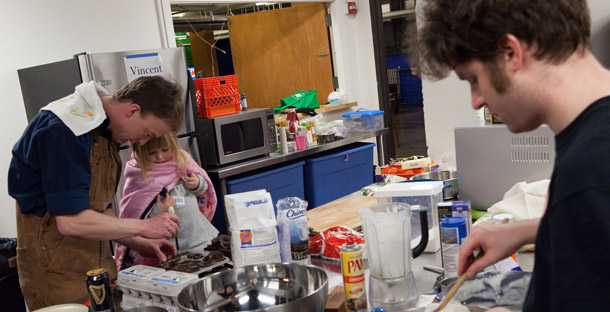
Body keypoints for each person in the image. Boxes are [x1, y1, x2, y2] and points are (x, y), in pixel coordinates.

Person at [413, 0, 610, 311]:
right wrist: (525, 231)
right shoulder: (593, 140)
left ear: (510, 53)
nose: (476, 101)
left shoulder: (590, 170)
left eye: (474, 79)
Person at [8, 76, 184, 310]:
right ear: (133, 110)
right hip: (54, 267)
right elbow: (71, 222)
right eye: (147, 133)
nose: (142, 143)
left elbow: (100, 210)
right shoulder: (66, 129)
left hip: (94, 259)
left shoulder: (103, 129)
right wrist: (144, 227)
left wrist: (137, 242)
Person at [114, 133, 218, 269]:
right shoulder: (140, 173)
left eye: (165, 149)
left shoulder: (182, 162)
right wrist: (160, 209)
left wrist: (198, 183)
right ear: (139, 151)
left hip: (198, 239)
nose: (160, 157)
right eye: (152, 152)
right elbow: (139, 212)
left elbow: (202, 190)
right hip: (168, 249)